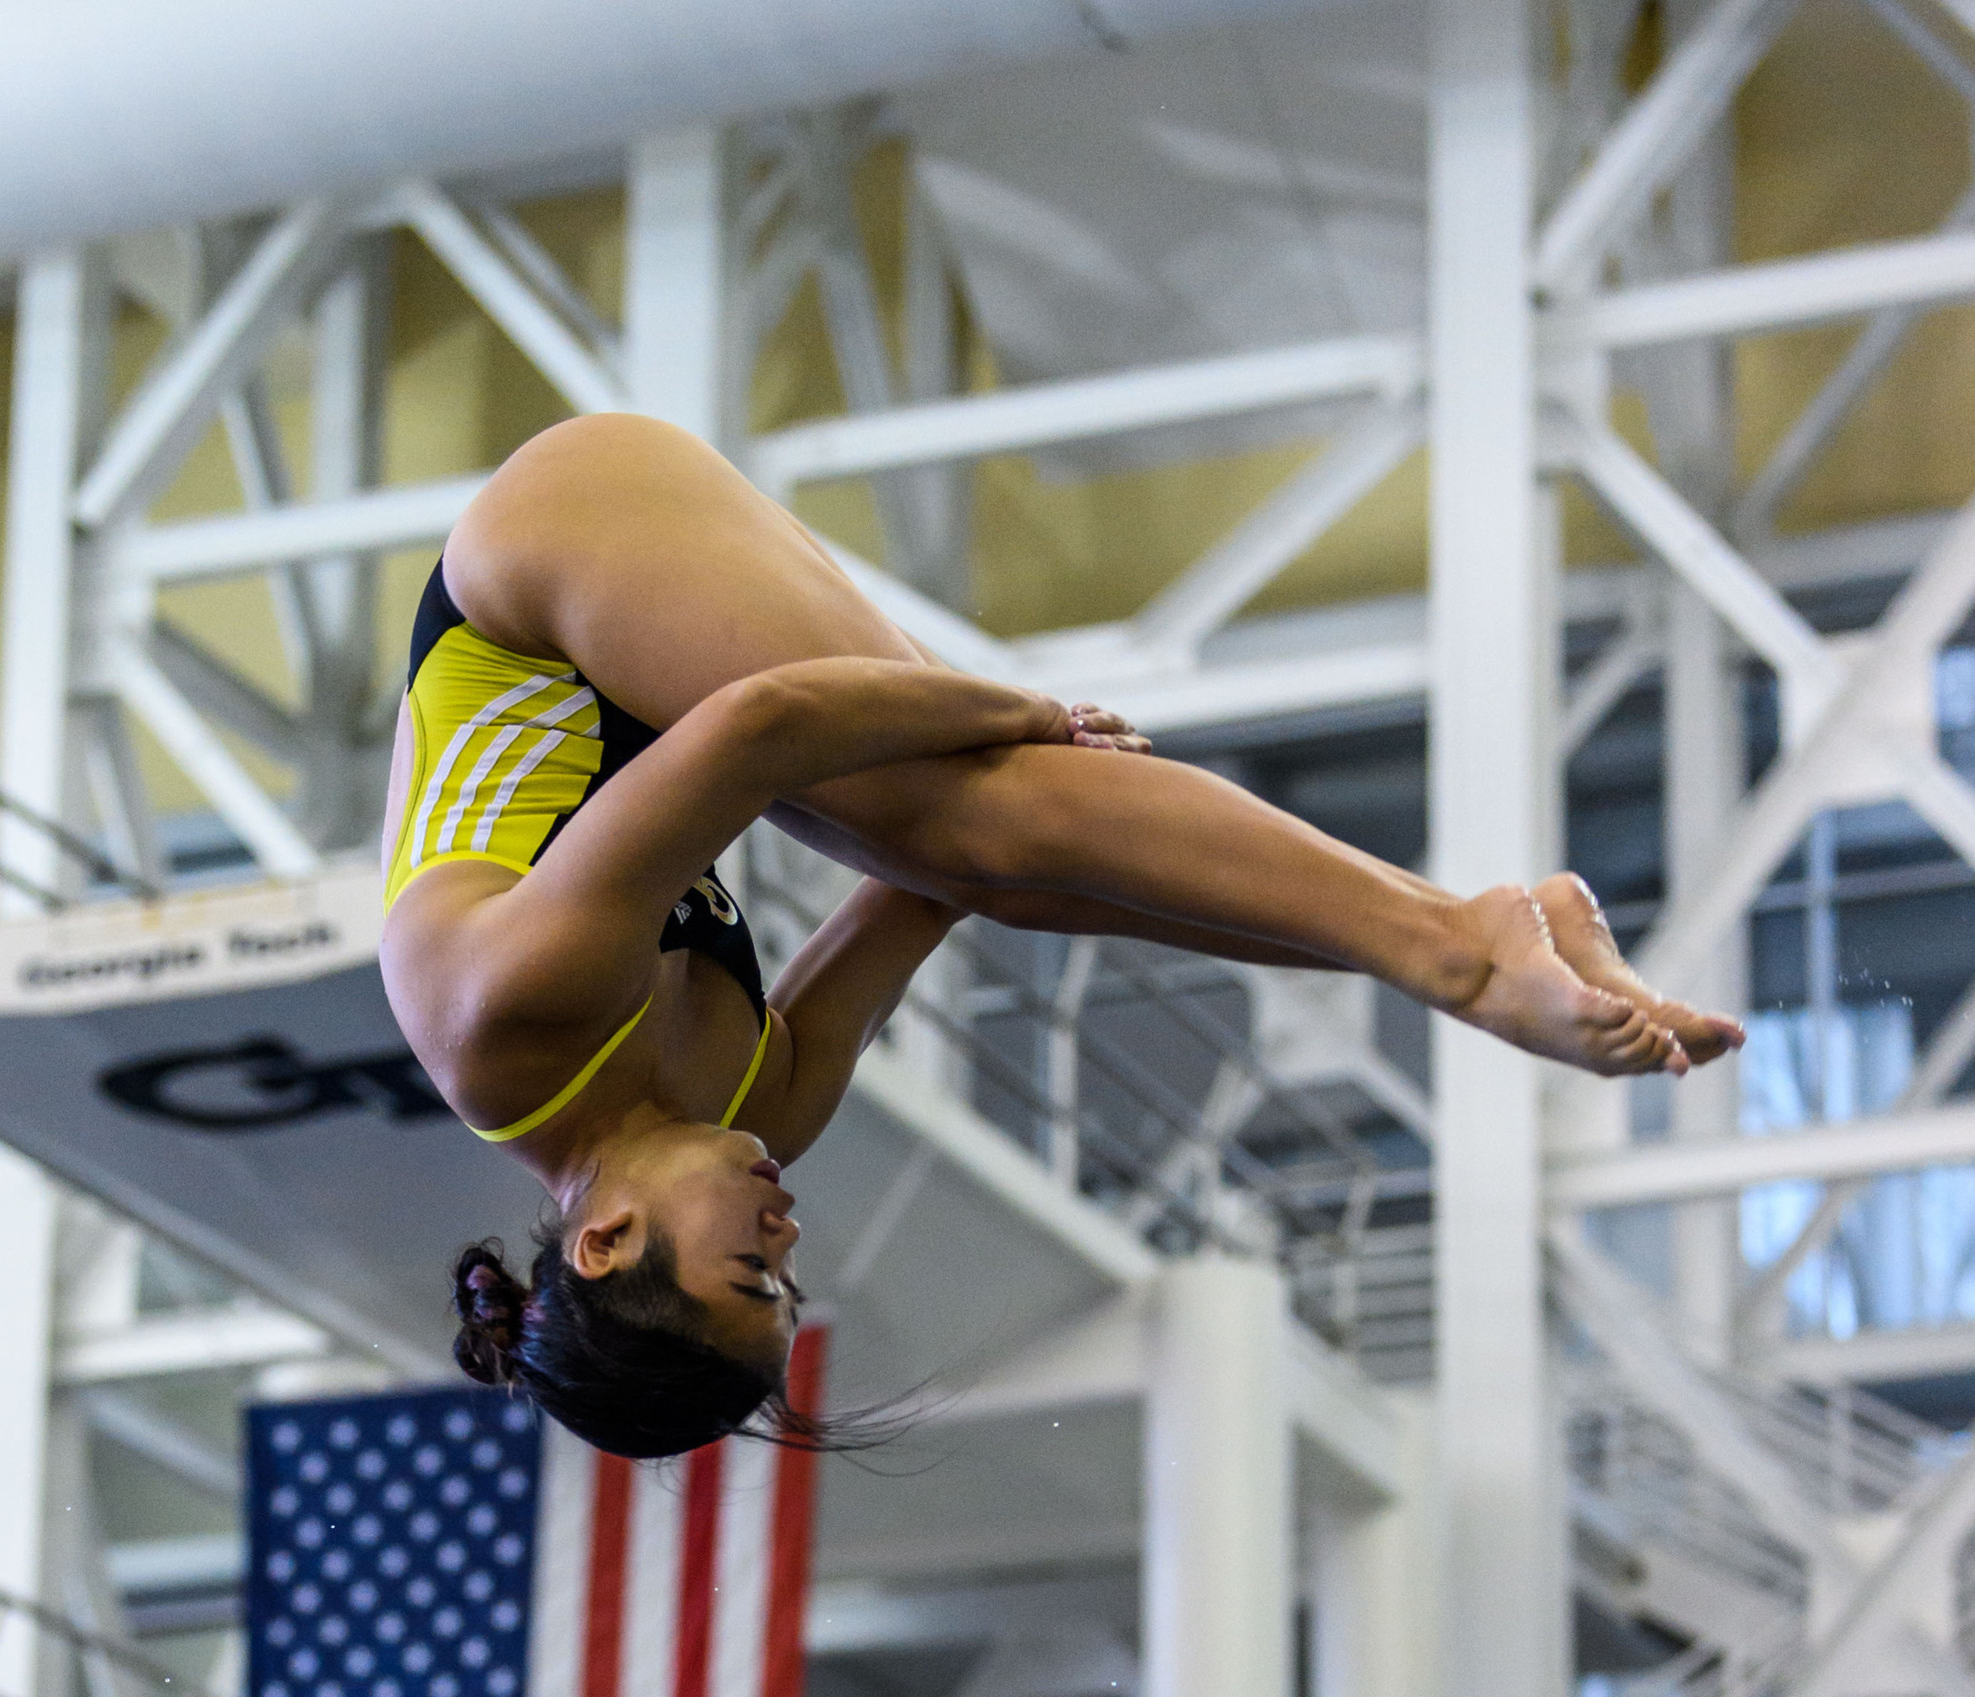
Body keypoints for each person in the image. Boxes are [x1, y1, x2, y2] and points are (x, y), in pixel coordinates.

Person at [380, 413, 1739, 1460]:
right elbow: (946, 890)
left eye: (754, 1262)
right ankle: (1472, 943)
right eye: (791, 1278)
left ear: (608, 1239)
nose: (791, 1229)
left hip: (542, 572)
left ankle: (1458, 948)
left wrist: (1002, 708)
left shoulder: (512, 1022)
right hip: (669, 695)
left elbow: (763, 729)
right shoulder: (764, 1105)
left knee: (960, 806)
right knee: (993, 863)